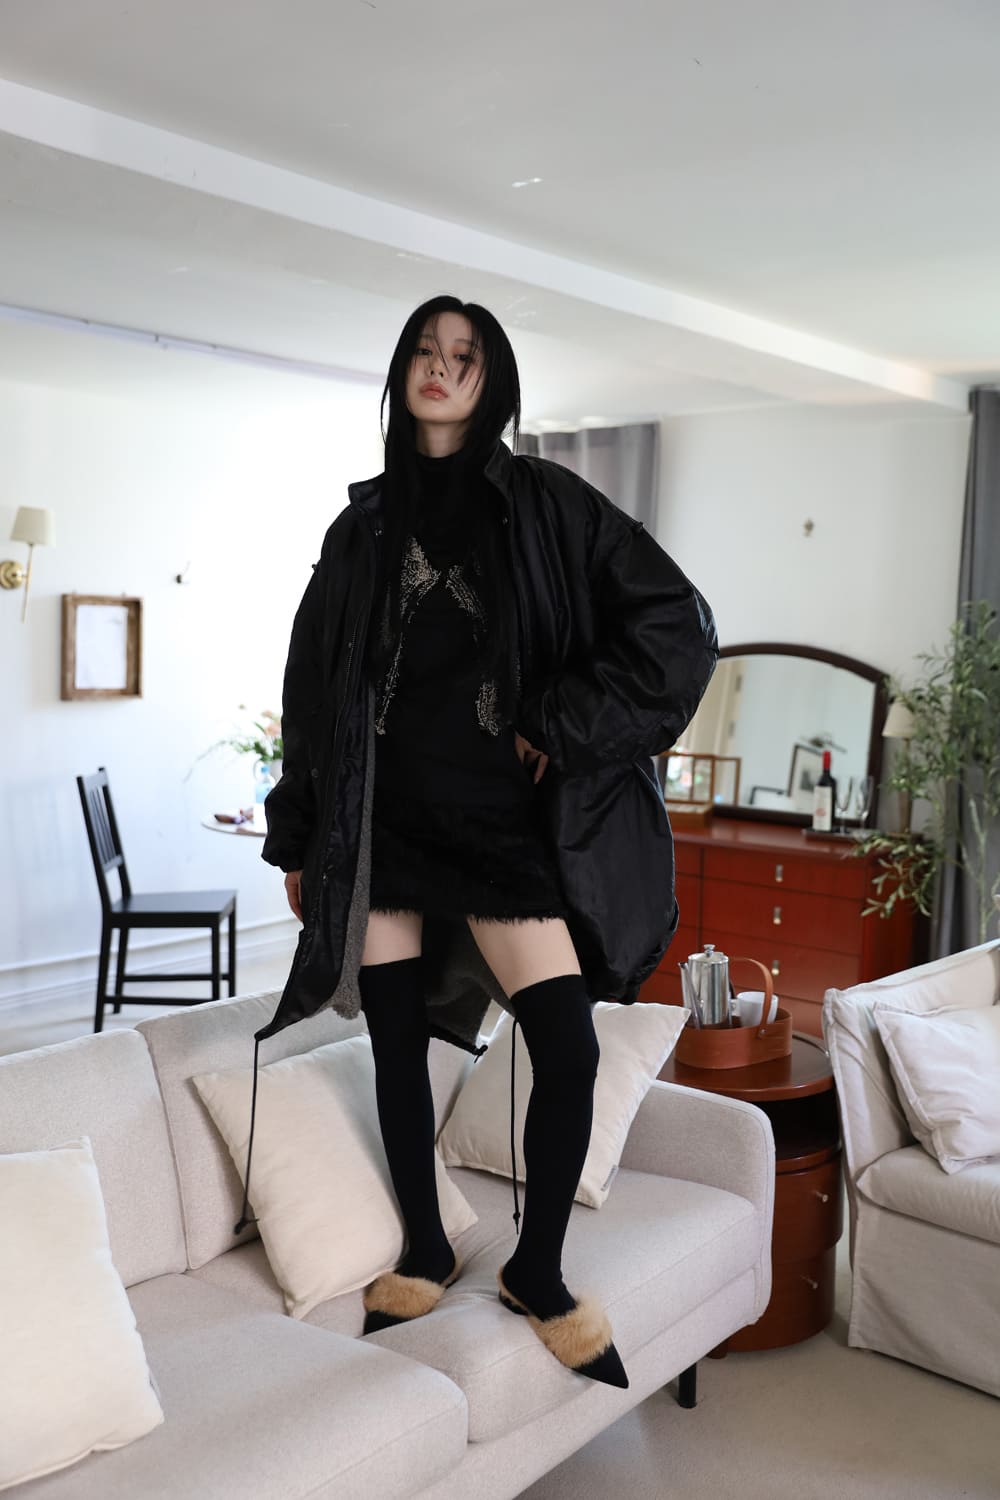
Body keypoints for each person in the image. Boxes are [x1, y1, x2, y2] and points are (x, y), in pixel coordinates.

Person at [238, 294, 718, 1391]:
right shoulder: (360, 527)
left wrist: (564, 722)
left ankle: (537, 1270)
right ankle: (424, 1246)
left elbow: (677, 625)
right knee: (397, 1046)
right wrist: (301, 838)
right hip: (383, 825)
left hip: (504, 827)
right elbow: (309, 694)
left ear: (490, 381)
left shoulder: (546, 502)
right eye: (425, 350)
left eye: (464, 356)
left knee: (569, 1047)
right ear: (401, 372)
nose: (441, 368)